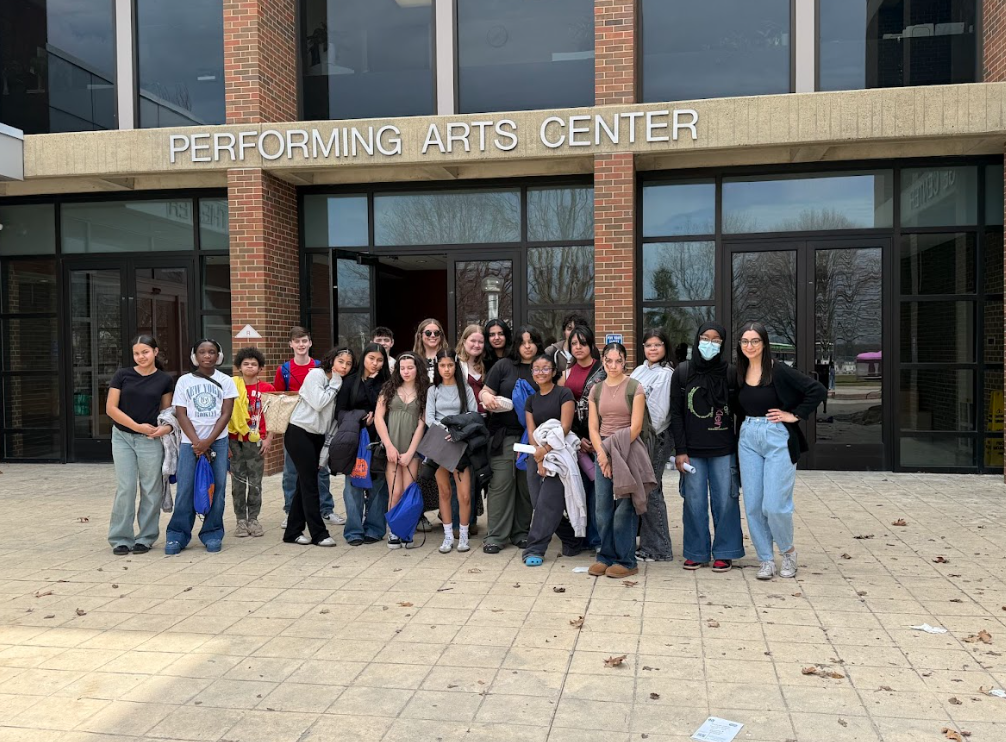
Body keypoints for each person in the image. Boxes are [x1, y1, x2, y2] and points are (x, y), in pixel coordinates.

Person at [736, 321, 826, 580]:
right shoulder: (739, 372)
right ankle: (766, 559)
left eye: (755, 341)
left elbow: (817, 390)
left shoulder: (779, 370)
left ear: (764, 343)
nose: (750, 346)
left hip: (777, 437)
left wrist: (794, 415)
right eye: (745, 341)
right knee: (753, 505)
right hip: (748, 438)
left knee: (775, 505)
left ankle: (788, 552)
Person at [670, 322, 744, 572]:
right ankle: (696, 551)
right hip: (692, 452)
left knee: (726, 501)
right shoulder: (683, 372)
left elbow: (741, 411)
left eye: (715, 340)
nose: (709, 344)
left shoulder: (730, 373)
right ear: (697, 340)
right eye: (704, 338)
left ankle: (725, 552)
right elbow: (676, 413)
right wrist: (680, 450)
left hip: (724, 449)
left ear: (722, 344)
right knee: (694, 502)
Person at [165, 339, 237, 554]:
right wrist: (197, 442)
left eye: (212, 352)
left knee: (217, 489)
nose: (207, 356)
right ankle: (177, 534)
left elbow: (226, 414)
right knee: (185, 489)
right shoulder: (184, 381)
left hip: (218, 442)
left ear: (219, 356)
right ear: (194, 356)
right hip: (190, 443)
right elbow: (181, 413)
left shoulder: (226, 381)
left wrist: (208, 442)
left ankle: (212, 532)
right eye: (202, 352)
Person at [588, 342, 651, 579]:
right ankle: (605, 556)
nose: (613, 365)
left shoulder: (635, 387)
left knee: (625, 507)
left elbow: (635, 427)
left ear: (625, 362)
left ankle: (626, 560)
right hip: (602, 448)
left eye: (618, 361)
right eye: (608, 360)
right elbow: (593, 428)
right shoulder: (596, 390)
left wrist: (611, 452)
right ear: (603, 361)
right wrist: (602, 454)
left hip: (627, 448)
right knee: (602, 506)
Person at [106, 335, 174, 555]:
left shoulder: (164, 380)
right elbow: (111, 408)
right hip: (123, 437)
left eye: (145, 352)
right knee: (126, 487)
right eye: (136, 353)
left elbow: (166, 412)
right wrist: (137, 427)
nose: (141, 357)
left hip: (150, 439)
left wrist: (163, 429)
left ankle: (146, 537)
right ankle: (120, 538)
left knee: (151, 488)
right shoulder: (122, 375)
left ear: (155, 352)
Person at [479, 325, 544, 553]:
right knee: (501, 483)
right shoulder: (503, 366)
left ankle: (521, 533)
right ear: (515, 345)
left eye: (532, 341)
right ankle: (496, 536)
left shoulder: (542, 367)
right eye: (522, 342)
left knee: (526, 485)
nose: (527, 346)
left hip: (532, 436)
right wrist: (487, 397)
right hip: (504, 434)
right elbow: (484, 391)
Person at [274, 327, 344, 527]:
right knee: (291, 472)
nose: (301, 345)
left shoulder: (320, 367)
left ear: (310, 343)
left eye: (304, 341)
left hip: (319, 425)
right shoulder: (284, 370)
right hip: (296, 425)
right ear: (291, 344)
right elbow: (279, 399)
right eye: (297, 341)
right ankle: (291, 511)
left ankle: (326, 509)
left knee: (321, 471)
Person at [283, 347, 351, 547]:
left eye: (348, 364)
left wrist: (324, 455)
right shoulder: (316, 375)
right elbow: (319, 403)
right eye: (341, 361)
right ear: (332, 360)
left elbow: (333, 421)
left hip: (318, 437)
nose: (344, 367)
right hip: (299, 432)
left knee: (303, 485)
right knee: (310, 484)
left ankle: (292, 531)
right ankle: (319, 533)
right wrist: (335, 383)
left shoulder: (341, 384)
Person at [522, 353, 581, 566]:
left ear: (554, 371)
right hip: (537, 455)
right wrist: (539, 458)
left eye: (545, 368)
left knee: (548, 503)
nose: (541, 372)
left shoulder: (564, 393)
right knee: (539, 503)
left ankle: (534, 549)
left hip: (559, 455)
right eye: (536, 369)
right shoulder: (531, 400)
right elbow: (531, 431)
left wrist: (546, 450)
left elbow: (565, 427)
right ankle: (572, 539)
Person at [338, 342, 392, 545]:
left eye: (380, 360)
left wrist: (370, 382)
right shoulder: (350, 381)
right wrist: (360, 417)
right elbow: (339, 411)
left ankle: (375, 528)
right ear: (363, 358)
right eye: (371, 358)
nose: (375, 363)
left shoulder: (387, 383)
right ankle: (353, 530)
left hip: (379, 440)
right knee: (353, 485)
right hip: (355, 440)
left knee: (378, 485)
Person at [426, 349, 478, 553]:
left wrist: (457, 432)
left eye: (450, 365)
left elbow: (473, 415)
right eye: (442, 365)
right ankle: (448, 536)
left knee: (464, 495)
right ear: (437, 367)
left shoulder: (466, 389)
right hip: (439, 444)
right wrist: (445, 430)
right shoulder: (433, 390)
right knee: (445, 492)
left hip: (460, 444)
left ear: (455, 365)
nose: (446, 369)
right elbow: (429, 418)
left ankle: (463, 535)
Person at [630, 328, 675, 562]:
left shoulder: (666, 374)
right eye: (648, 345)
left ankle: (660, 549)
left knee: (651, 489)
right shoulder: (640, 370)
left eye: (657, 344)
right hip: (638, 436)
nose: (653, 349)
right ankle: (648, 544)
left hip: (655, 438)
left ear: (665, 347)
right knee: (644, 490)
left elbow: (657, 415)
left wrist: (640, 438)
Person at [374, 352, 428, 548]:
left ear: (417, 369)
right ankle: (394, 531)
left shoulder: (424, 391)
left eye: (410, 368)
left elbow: (422, 424)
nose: (406, 371)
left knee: (408, 491)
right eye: (402, 368)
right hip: (392, 447)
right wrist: (389, 446)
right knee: (395, 491)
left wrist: (411, 452)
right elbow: (378, 418)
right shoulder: (388, 389)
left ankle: (407, 530)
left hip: (412, 448)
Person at [558, 325, 605, 550]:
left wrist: (595, 439)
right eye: (574, 344)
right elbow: (561, 408)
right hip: (575, 439)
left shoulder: (603, 370)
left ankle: (598, 539)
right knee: (580, 488)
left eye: (583, 343)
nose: (578, 347)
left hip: (600, 437)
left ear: (591, 344)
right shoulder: (566, 374)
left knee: (599, 491)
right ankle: (583, 536)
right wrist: (576, 438)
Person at [227, 347, 274, 539]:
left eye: (254, 364)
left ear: (260, 368)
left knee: (255, 482)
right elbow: (223, 415)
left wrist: (269, 439)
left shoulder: (267, 389)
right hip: (234, 440)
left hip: (257, 441)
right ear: (239, 367)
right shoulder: (231, 387)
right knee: (237, 482)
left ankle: (253, 519)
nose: (249, 367)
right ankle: (240, 520)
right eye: (245, 363)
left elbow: (273, 417)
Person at [544, 312, 590, 377]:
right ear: (564, 331)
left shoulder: (590, 351)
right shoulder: (551, 351)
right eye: (569, 329)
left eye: (577, 329)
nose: (573, 332)